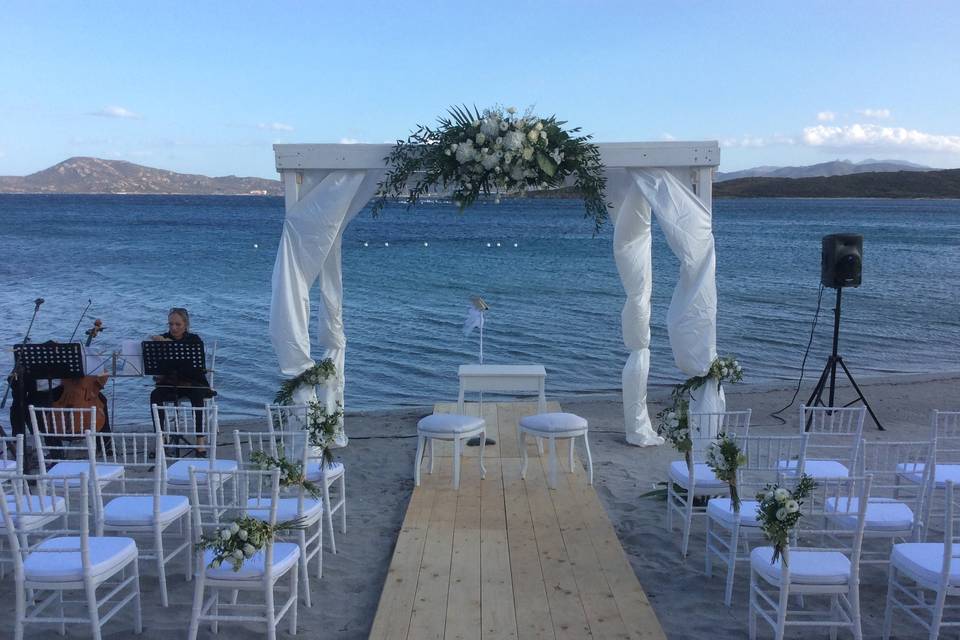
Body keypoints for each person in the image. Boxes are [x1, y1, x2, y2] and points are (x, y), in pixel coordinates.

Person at [149, 308, 215, 453]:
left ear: (186, 324)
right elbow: (155, 367)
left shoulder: (194, 340)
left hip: (192, 382)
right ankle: (160, 437)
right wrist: (157, 343)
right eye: (171, 324)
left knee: (197, 395)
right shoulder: (162, 338)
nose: (173, 328)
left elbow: (199, 367)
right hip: (171, 382)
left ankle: (200, 439)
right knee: (155, 395)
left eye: (178, 324)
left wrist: (169, 344)